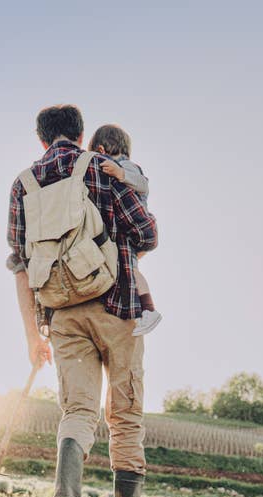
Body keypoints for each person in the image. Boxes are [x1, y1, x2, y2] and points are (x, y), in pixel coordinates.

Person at [7, 104, 158, 497]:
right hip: (118, 303)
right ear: (81, 134)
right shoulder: (102, 167)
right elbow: (147, 232)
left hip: (61, 314)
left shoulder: (23, 184)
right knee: (125, 411)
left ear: (41, 139)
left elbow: (20, 265)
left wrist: (33, 336)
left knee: (78, 411)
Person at [88, 123, 161, 337]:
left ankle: (149, 309)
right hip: (126, 230)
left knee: (132, 270)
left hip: (131, 231)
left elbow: (143, 184)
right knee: (128, 270)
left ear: (101, 150)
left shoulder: (127, 166)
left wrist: (121, 173)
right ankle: (142, 311)